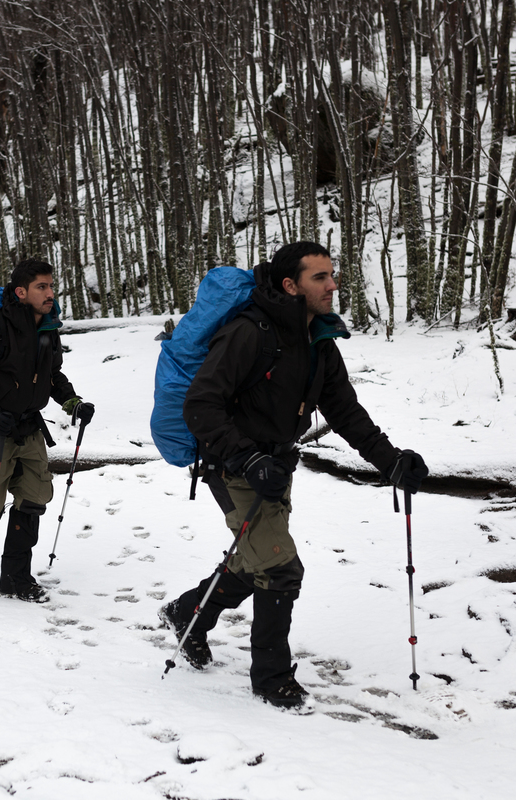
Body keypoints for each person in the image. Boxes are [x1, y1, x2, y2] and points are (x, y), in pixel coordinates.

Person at [159, 241, 428, 711]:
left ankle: (187, 614)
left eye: (332, 274)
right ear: (291, 285)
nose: (332, 285)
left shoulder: (317, 339)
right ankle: (271, 678)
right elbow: (200, 404)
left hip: (276, 465)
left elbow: (345, 411)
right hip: (233, 465)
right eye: (319, 277)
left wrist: (391, 461)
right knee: (280, 569)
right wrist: (245, 458)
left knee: (253, 562)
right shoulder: (248, 333)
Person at [0, 259, 94, 603]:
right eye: (42, 287)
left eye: (51, 286)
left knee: (34, 500)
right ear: (21, 292)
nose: (50, 293)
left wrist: (73, 403)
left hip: (29, 428)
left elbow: (53, 376)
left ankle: (15, 578)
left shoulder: (47, 329)